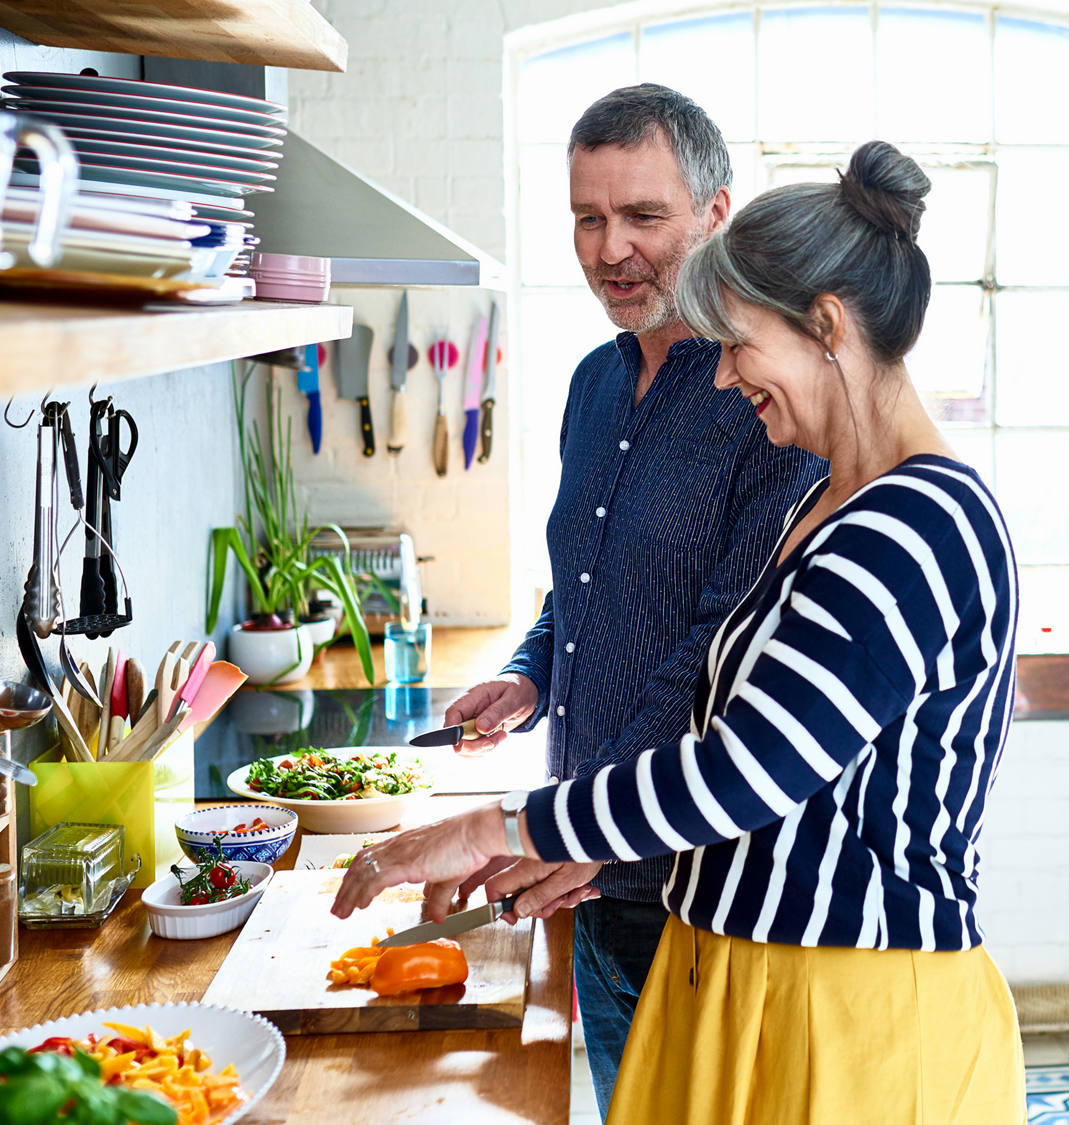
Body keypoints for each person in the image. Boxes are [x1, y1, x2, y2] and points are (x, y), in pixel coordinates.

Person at [335, 141, 1024, 1124]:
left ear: (826, 327)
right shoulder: (835, 501)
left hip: (848, 1004)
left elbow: (742, 771)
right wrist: (561, 842)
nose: (722, 377)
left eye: (740, 344)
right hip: (751, 974)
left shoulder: (917, 527)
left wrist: (495, 826)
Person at [438, 84, 825, 1116]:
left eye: (643, 216)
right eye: (587, 217)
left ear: (715, 215)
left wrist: (562, 828)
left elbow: (714, 651)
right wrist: (527, 674)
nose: (611, 248)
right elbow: (586, 584)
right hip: (592, 880)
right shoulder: (591, 385)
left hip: (702, 897)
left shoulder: (762, 403)